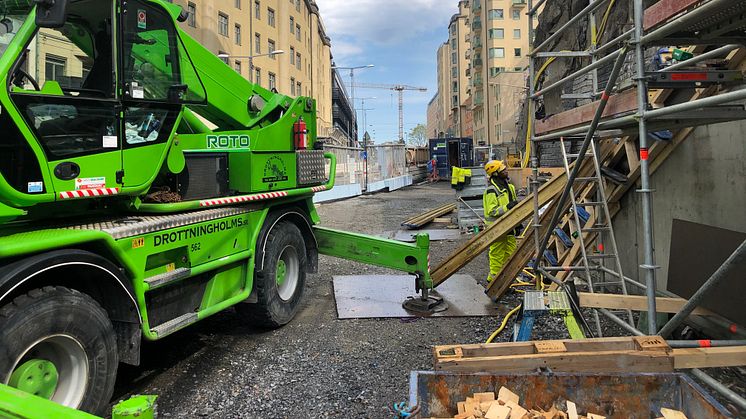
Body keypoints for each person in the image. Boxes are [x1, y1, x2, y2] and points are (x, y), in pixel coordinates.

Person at [483, 160, 518, 283]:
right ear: (496, 173)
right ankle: (494, 281)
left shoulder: (510, 187)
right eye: (503, 170)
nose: (506, 171)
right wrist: (507, 207)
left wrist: (517, 224)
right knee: (497, 255)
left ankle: (505, 280)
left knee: (511, 253)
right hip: (496, 228)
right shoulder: (491, 191)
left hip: (509, 226)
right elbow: (491, 211)